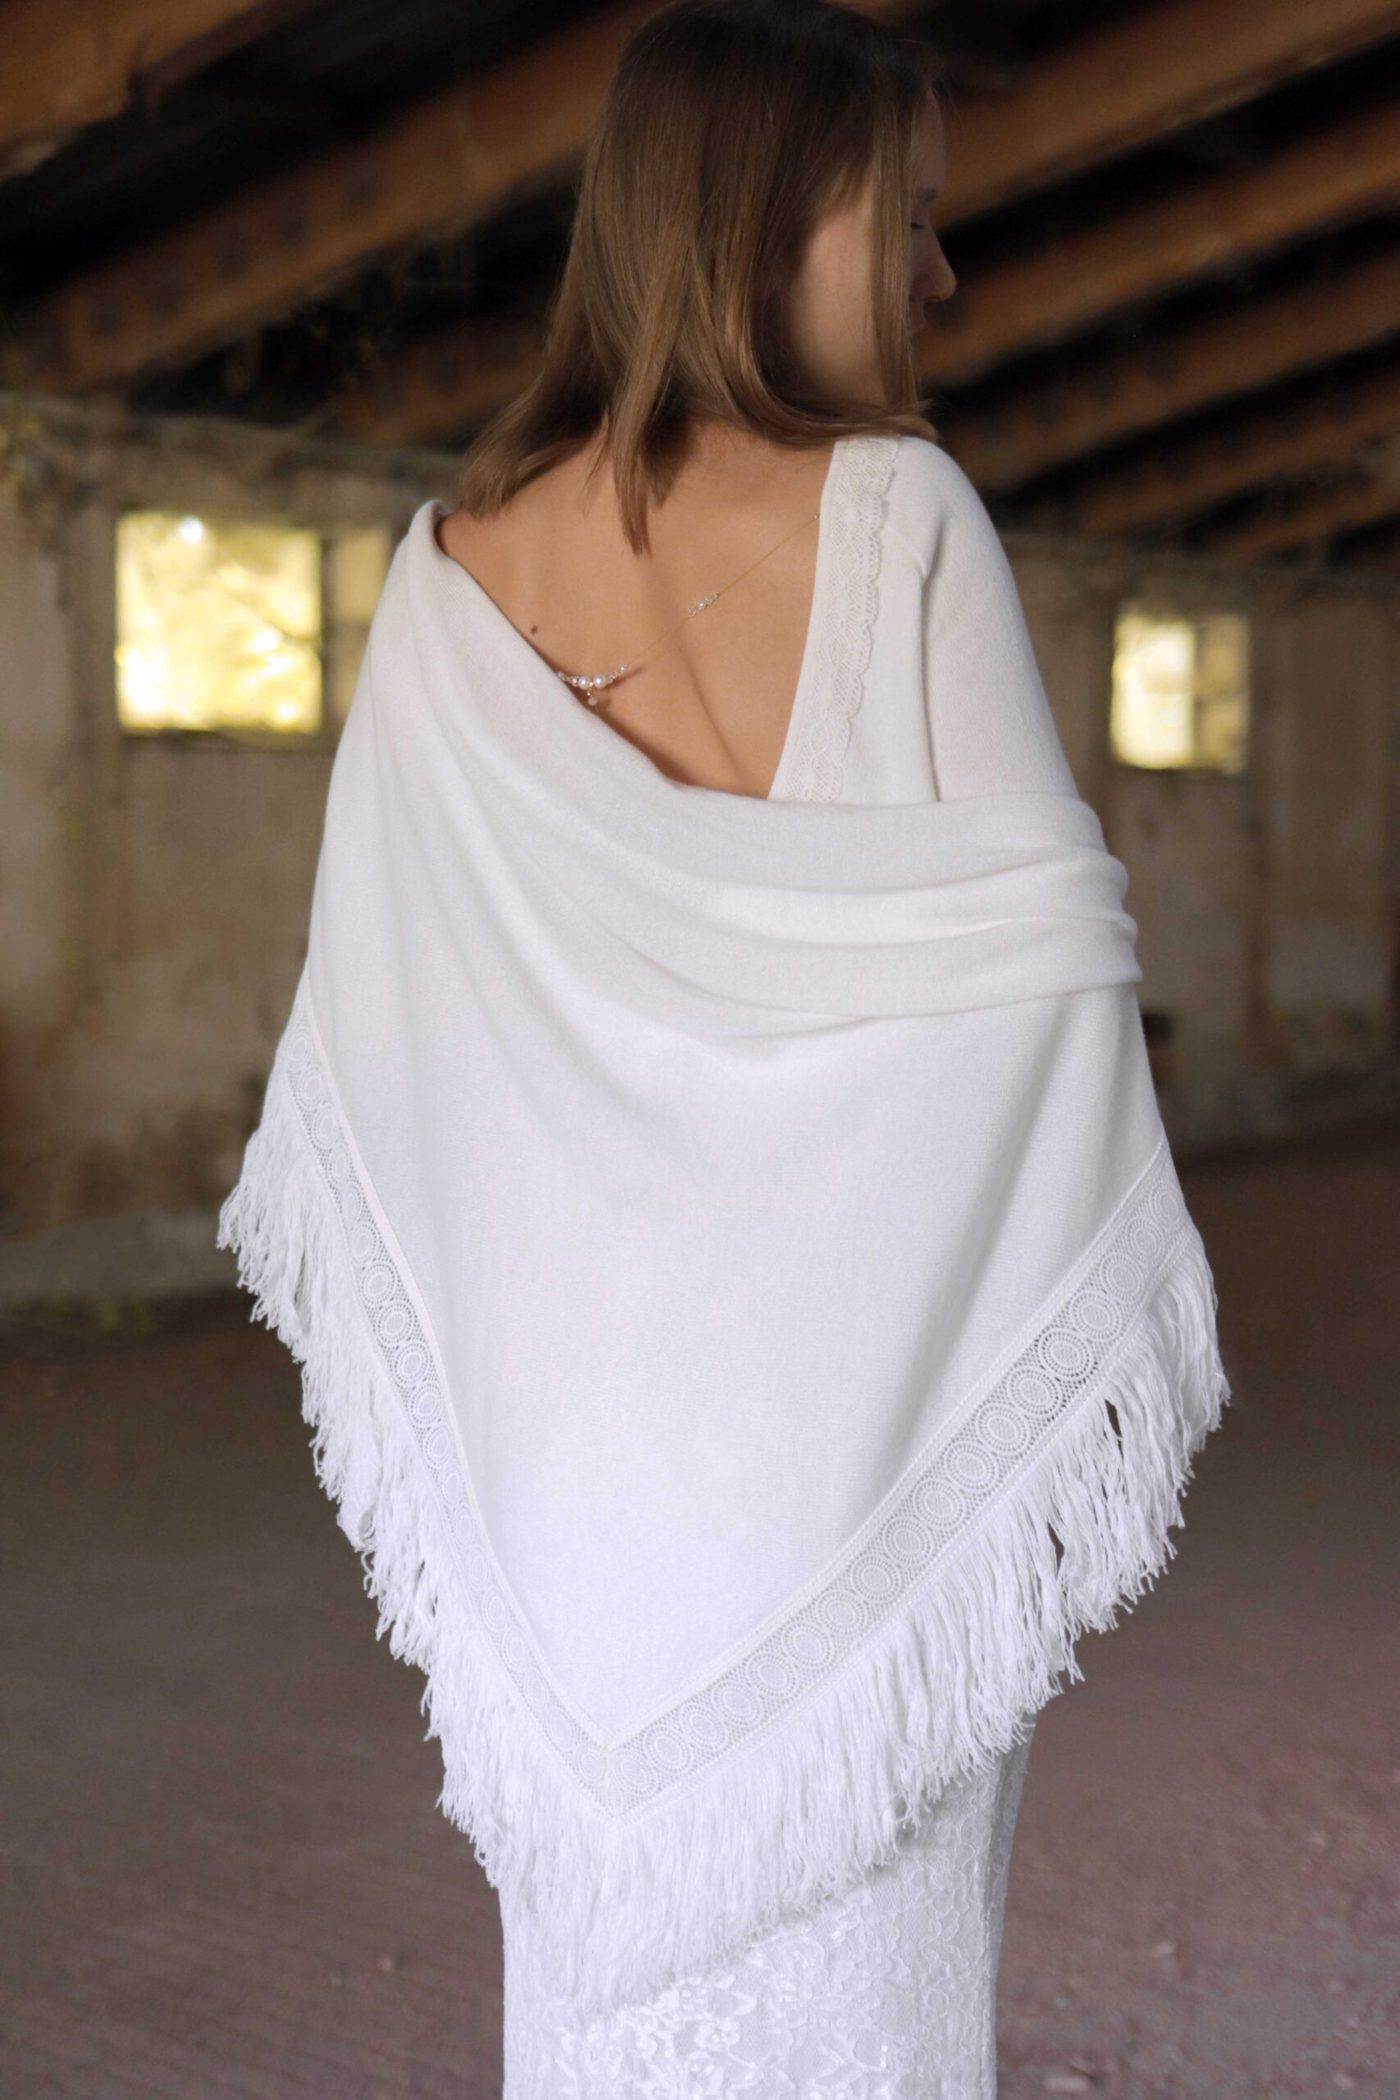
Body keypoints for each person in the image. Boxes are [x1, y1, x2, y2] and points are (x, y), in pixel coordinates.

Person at [217, 3, 1230, 2093]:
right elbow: (1034, 1013)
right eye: (910, 219)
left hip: (575, 1508)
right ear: (768, 220)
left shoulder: (446, 580)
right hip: (852, 1488)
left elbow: (407, 1073)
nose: (946, 275)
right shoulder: (902, 516)